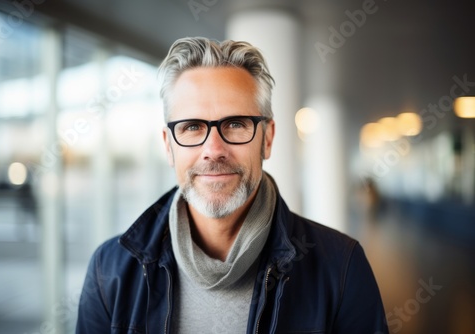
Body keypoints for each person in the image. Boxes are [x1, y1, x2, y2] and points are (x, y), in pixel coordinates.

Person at [76, 37, 389, 334]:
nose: (214, 149)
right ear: (169, 146)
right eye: (192, 127)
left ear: (267, 138)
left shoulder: (342, 268)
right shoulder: (110, 272)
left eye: (236, 124)